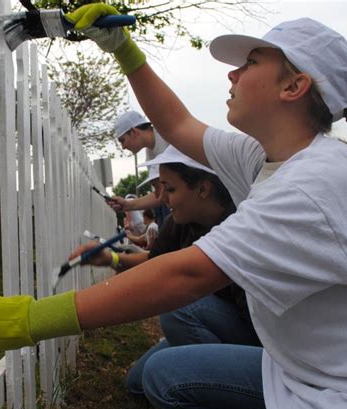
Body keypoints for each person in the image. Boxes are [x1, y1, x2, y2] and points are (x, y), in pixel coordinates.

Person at [0, 6, 347, 409]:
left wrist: (32, 318)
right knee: (163, 376)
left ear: (293, 86)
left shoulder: (315, 183)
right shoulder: (269, 158)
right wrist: (124, 52)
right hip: (299, 376)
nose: (232, 72)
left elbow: (187, 274)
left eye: (250, 63)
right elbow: (180, 127)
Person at [71, 145, 258, 395]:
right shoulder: (180, 221)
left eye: (169, 189)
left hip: (257, 338)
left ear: (203, 189)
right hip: (213, 321)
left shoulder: (242, 227)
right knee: (138, 383)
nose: (161, 198)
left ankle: (230, 392)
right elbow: (154, 261)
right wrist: (112, 258)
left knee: (180, 312)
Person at [112, 111, 170, 227]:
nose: (123, 147)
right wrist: (127, 205)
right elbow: (159, 196)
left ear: (133, 132)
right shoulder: (150, 153)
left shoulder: (168, 140)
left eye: (122, 140)